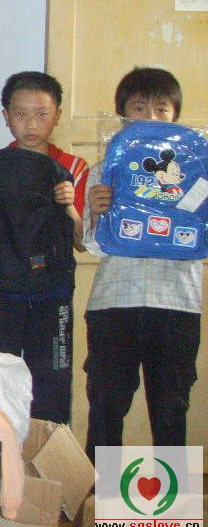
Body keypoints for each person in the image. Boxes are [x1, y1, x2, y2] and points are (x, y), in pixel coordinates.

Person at [84, 67, 200, 457]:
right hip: (114, 302)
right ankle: (102, 495)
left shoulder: (195, 171)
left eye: (161, 109)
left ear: (175, 116)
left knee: (171, 409)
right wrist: (98, 214)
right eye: (138, 107)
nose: (150, 118)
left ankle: (169, 498)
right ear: (122, 115)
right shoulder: (105, 170)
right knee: (106, 406)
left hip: (178, 303)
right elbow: (93, 247)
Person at [0, 71, 88, 423]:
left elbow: (82, 243)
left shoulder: (74, 168)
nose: (31, 124)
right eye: (20, 114)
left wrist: (69, 207)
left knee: (51, 384)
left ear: (58, 115)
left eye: (42, 114)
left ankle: (47, 456)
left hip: (51, 293)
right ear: (6, 116)